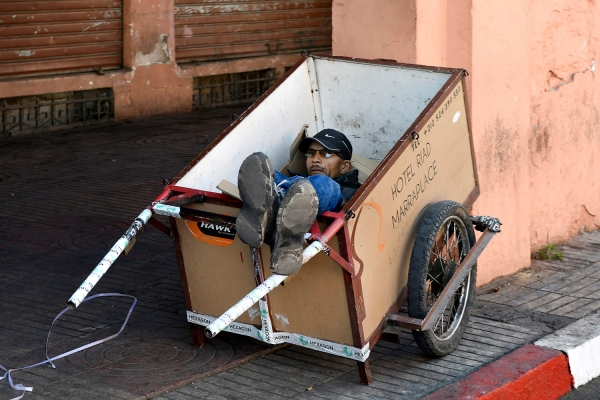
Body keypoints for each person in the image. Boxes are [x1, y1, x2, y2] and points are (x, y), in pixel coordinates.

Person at [236, 129, 361, 275]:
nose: (315, 159)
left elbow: (351, 210)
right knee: (270, 173)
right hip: (295, 193)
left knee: (325, 184)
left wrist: (344, 202)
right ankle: (278, 231)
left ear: (345, 166)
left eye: (326, 154)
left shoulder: (352, 190)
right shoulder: (296, 178)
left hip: (323, 200)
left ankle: (275, 211)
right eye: (311, 153)